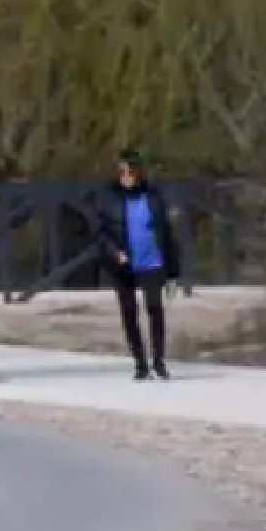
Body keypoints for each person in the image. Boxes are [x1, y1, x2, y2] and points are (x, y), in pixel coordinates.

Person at [91, 148, 181, 381]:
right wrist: (114, 252)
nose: (127, 176)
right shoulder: (108, 196)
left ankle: (159, 361)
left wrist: (173, 272)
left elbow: (167, 233)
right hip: (123, 265)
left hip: (152, 261)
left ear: (140, 171)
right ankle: (140, 363)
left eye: (132, 171)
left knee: (154, 308)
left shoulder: (152, 195)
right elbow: (100, 232)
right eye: (123, 171)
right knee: (129, 313)